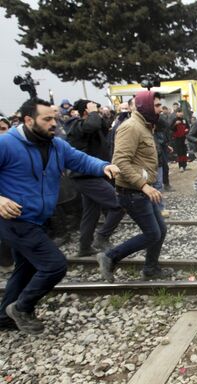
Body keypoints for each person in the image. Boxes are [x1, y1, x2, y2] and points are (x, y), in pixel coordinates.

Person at [0, 98, 120, 334]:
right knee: (54, 266)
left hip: (36, 218)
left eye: (54, 118)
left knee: (26, 268)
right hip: (14, 220)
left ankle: (4, 317)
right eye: (47, 119)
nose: (53, 123)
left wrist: (104, 166)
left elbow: (81, 159)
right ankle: (22, 308)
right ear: (28, 120)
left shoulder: (55, 145)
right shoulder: (6, 144)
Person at [96, 91, 169, 282]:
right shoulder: (131, 127)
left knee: (160, 231)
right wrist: (144, 186)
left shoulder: (144, 125)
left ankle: (150, 269)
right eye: (157, 105)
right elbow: (119, 161)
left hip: (142, 190)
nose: (161, 109)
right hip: (133, 191)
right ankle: (109, 257)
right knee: (153, 233)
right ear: (145, 106)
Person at [65, 99, 125, 256]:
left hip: (93, 175)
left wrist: (99, 113)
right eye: (92, 109)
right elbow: (92, 125)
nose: (96, 111)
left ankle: (84, 247)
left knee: (91, 212)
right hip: (86, 176)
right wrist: (92, 112)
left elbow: (104, 127)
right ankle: (102, 236)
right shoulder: (75, 124)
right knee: (119, 204)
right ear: (85, 111)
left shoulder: (92, 124)